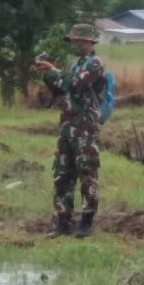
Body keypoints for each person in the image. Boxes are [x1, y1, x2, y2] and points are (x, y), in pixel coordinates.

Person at [33, 23, 107, 239]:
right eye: (73, 41)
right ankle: (63, 222)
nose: (73, 44)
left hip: (84, 129)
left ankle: (86, 221)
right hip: (67, 129)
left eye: (76, 41)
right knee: (62, 175)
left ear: (87, 42)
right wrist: (46, 73)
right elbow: (60, 89)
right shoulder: (76, 65)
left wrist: (54, 71)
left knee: (87, 174)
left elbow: (75, 85)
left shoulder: (95, 64)